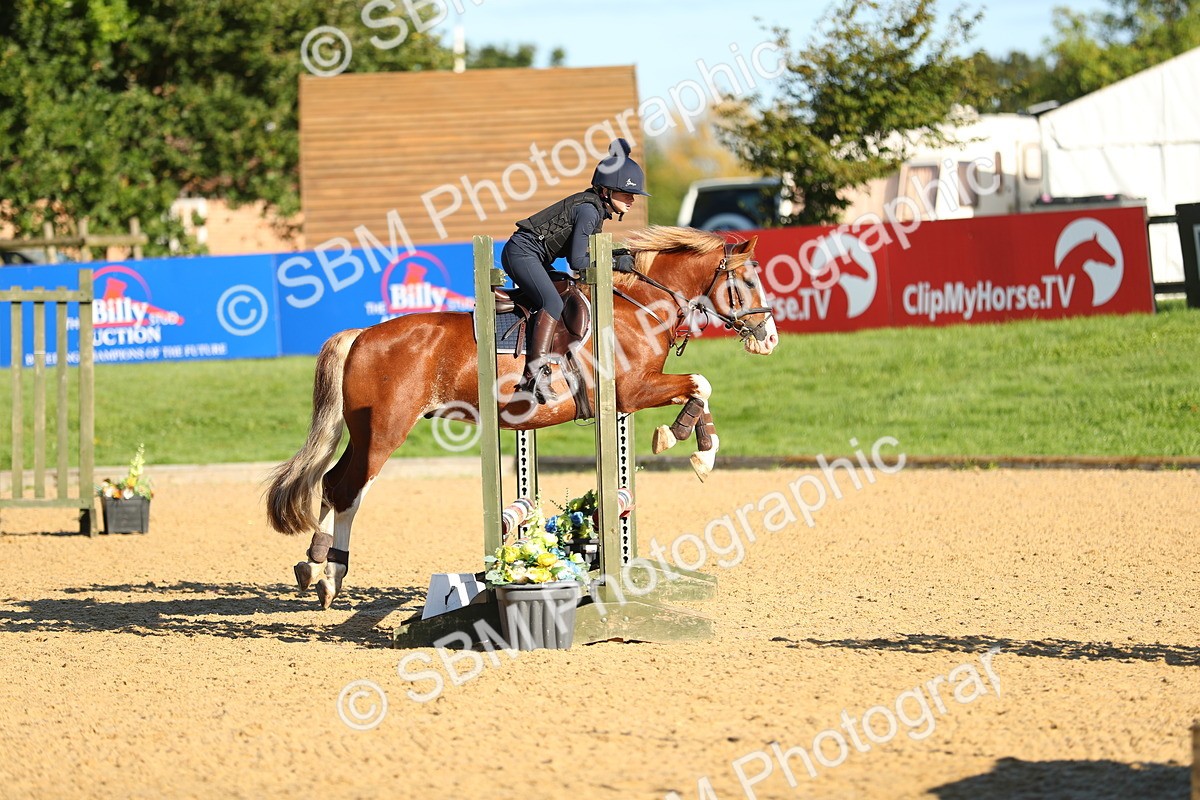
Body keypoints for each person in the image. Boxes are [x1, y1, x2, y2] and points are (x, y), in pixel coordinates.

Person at [500, 138, 650, 403]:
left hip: (532, 255)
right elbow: (578, 262)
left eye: (634, 194)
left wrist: (618, 255)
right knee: (552, 302)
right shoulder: (589, 211)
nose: (633, 199)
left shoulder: (596, 210)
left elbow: (586, 255)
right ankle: (534, 378)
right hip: (522, 252)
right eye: (627, 193)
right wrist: (616, 263)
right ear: (606, 191)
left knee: (565, 290)